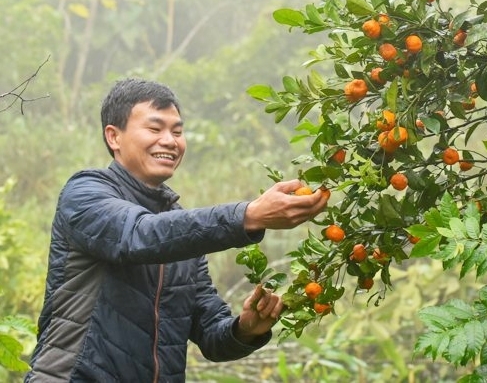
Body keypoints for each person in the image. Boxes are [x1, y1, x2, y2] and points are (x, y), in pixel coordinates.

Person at [25, 78, 328, 382]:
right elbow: (138, 236)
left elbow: (211, 333)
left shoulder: (179, 228)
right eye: (155, 129)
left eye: (178, 132)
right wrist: (248, 216)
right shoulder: (84, 193)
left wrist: (246, 328)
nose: (170, 141)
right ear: (114, 137)